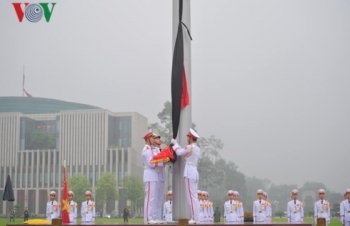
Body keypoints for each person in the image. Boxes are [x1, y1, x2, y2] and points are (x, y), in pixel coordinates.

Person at [171, 128, 201, 224]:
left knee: (191, 197)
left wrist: (174, 144)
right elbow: (182, 150)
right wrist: (176, 144)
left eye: (188, 137)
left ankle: (195, 218)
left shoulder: (190, 147)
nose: (187, 139)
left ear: (191, 138)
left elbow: (179, 152)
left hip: (189, 172)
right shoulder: (196, 148)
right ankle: (196, 217)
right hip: (194, 172)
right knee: (194, 196)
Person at [142, 129, 164, 224]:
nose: (153, 139)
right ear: (148, 139)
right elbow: (150, 163)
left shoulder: (151, 149)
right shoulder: (146, 150)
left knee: (154, 198)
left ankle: (153, 217)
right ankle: (148, 218)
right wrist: (161, 163)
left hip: (154, 175)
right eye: (152, 137)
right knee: (150, 198)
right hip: (150, 174)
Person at [154, 133, 166, 223]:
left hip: (161, 175)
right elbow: (156, 161)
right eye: (157, 138)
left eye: (159, 138)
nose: (159, 140)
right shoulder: (153, 150)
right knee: (155, 197)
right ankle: (154, 217)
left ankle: (158, 217)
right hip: (156, 175)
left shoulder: (161, 150)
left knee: (160, 198)